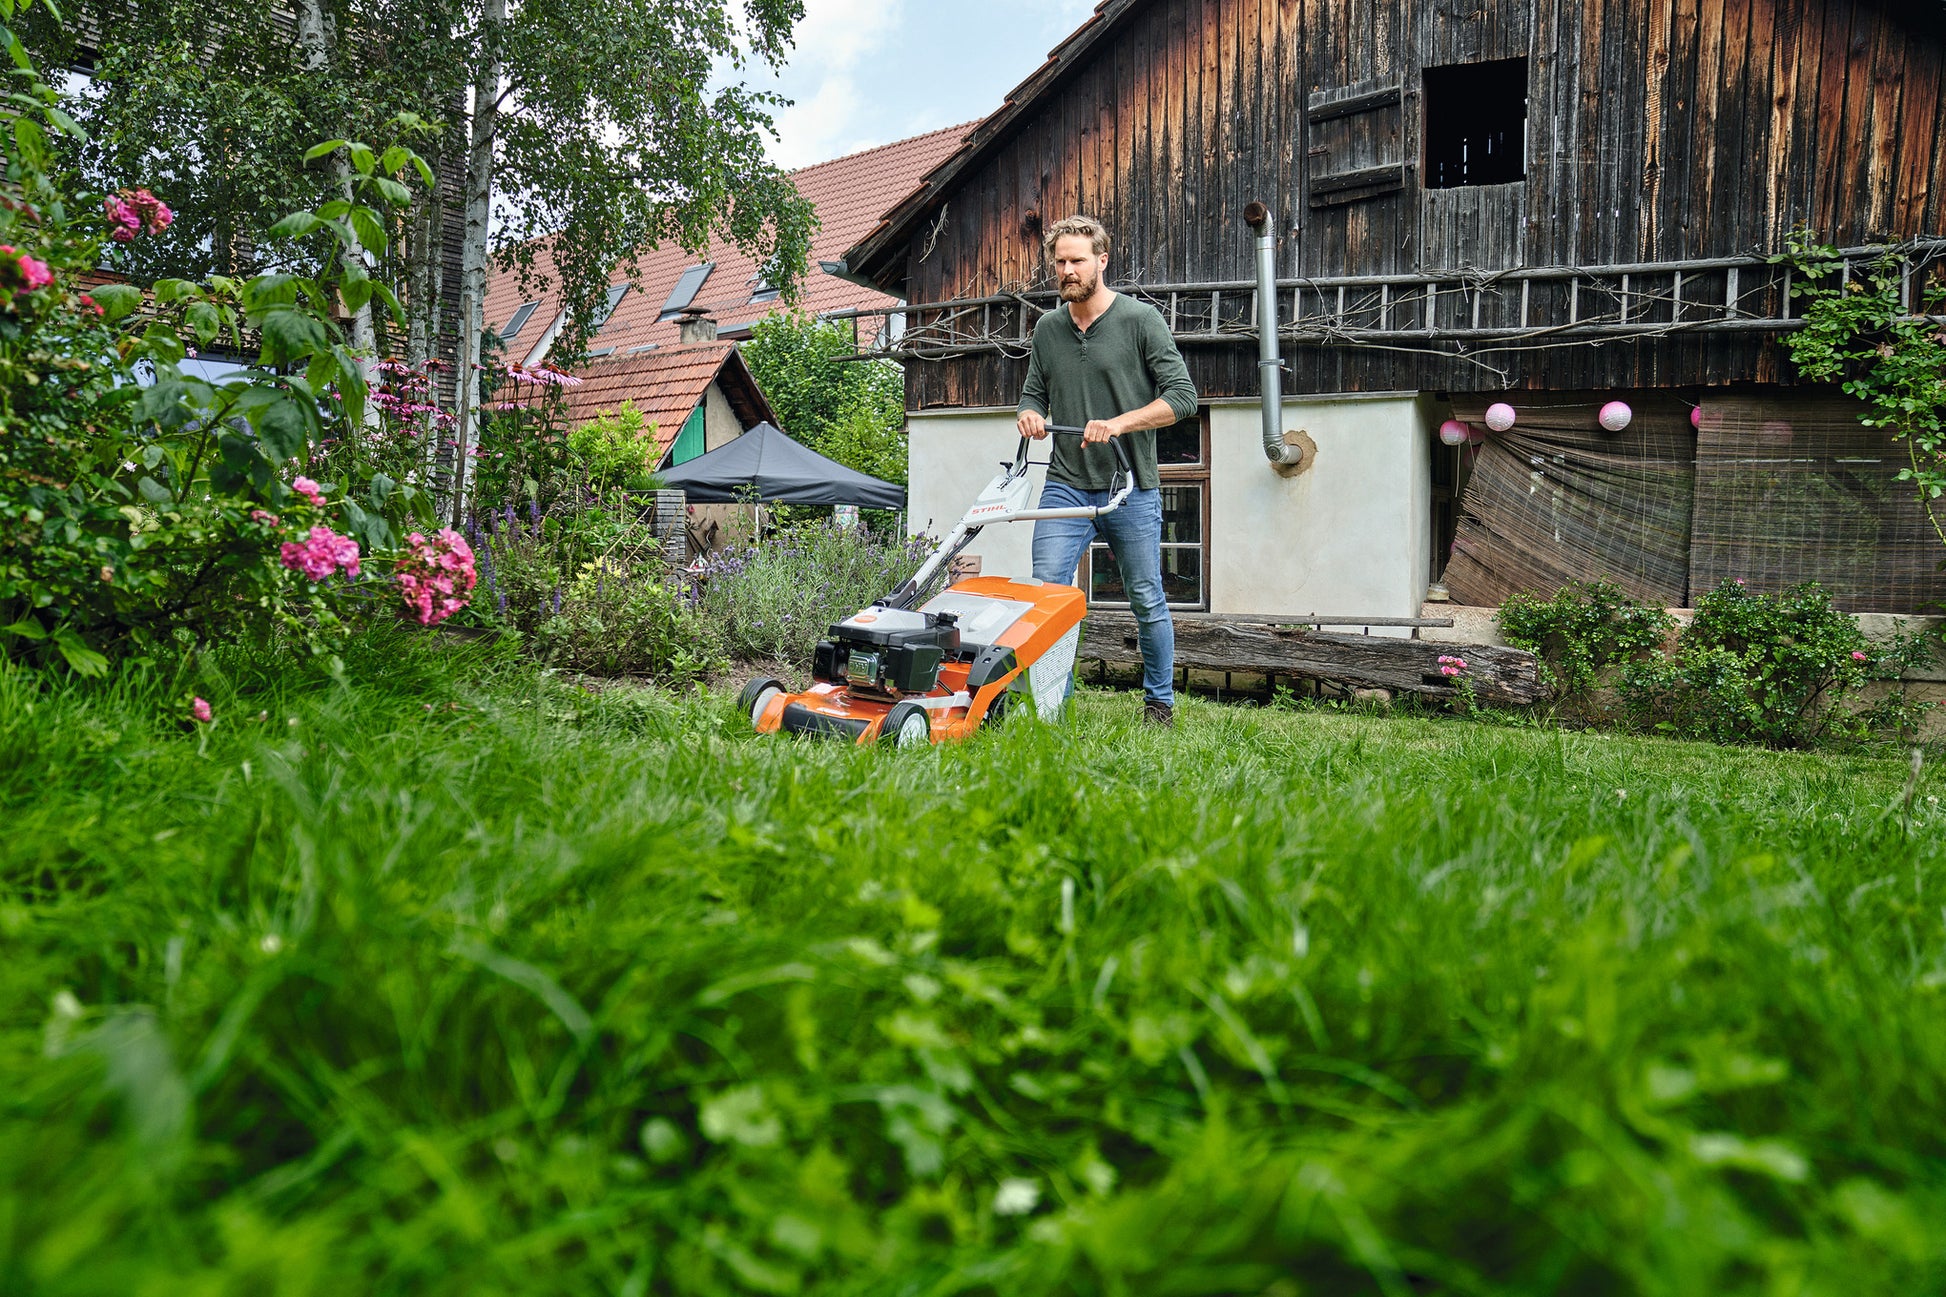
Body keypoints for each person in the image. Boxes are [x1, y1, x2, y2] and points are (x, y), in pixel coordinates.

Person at [1016, 214, 1198, 727]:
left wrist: (1119, 424)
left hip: (1130, 487)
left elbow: (1183, 398)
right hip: (1065, 485)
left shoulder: (1140, 320)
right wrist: (1029, 412)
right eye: (1060, 262)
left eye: (1077, 260)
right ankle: (1051, 709)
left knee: (1146, 596)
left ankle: (1159, 703)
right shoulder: (1048, 329)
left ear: (1102, 260)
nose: (1067, 271)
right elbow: (1035, 392)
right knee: (1047, 596)